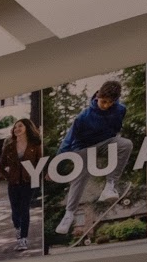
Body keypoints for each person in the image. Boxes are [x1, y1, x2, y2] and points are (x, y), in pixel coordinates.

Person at [54, 79, 132, 238]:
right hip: (82, 147)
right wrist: (55, 165)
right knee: (82, 173)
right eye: (103, 102)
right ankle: (69, 214)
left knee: (126, 144)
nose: (106, 106)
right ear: (98, 96)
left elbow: (116, 130)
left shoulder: (121, 110)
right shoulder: (83, 116)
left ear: (115, 101)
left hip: (104, 143)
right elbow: (68, 140)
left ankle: (109, 186)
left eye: (110, 103)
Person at [0, 114, 41, 243]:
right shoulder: (9, 147)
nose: (17, 129)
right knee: (15, 211)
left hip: (28, 182)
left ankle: (23, 238)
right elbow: (0, 167)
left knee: (24, 209)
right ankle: (18, 228)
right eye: (15, 127)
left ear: (27, 128)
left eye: (20, 126)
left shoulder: (35, 145)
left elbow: (40, 163)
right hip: (13, 184)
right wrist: (8, 177)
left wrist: (37, 177)